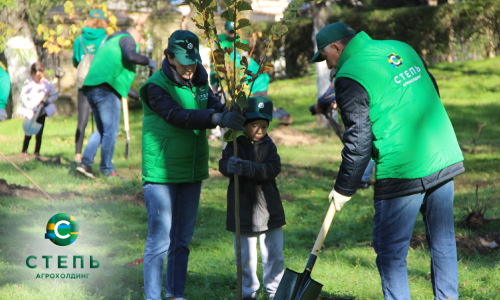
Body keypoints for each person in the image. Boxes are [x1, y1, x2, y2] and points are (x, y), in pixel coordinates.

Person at [310, 22, 464, 299]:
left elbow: (358, 142)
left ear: (337, 47)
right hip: (442, 153)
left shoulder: (348, 76)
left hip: (403, 168)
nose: (327, 64)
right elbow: (431, 91)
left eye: (325, 56)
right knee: (442, 240)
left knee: (390, 251)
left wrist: (344, 189)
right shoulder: (399, 47)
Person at [138, 30, 245, 300]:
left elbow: (211, 103)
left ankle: (176, 295)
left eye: (193, 61)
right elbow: (177, 116)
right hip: (162, 173)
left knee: (182, 241)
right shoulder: (156, 86)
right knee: (160, 241)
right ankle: (152, 297)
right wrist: (216, 118)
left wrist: (228, 111)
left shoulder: (199, 79)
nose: (189, 68)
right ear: (170, 57)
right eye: (184, 62)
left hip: (191, 170)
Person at [219, 96, 285, 300]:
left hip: (269, 210)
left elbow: (273, 168)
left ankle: (275, 291)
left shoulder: (269, 146)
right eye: (254, 125)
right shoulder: (235, 145)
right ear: (244, 124)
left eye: (264, 126)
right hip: (243, 211)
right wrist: (228, 166)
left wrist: (252, 168)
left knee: (273, 255)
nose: (259, 131)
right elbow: (223, 164)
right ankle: (248, 293)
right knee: (246, 257)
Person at [76, 28, 156, 179]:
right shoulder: (127, 38)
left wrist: (140, 96)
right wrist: (148, 61)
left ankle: (85, 164)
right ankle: (107, 170)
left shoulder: (109, 44)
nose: (137, 44)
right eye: (139, 40)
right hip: (106, 91)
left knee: (102, 130)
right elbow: (131, 55)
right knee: (111, 131)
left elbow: (117, 81)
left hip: (92, 88)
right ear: (136, 36)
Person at [72, 9, 108, 163]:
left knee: (82, 120)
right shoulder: (106, 39)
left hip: (83, 84)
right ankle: (102, 157)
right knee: (102, 121)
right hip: (100, 84)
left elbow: (75, 61)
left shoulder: (79, 39)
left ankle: (78, 155)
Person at [20, 62, 58, 156]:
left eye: (40, 75)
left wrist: (47, 101)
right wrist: (29, 105)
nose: (39, 77)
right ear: (32, 73)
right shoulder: (28, 83)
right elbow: (23, 96)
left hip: (41, 111)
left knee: (39, 132)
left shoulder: (46, 84)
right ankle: (24, 151)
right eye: (37, 75)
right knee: (28, 131)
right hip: (31, 111)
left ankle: (37, 152)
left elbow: (54, 94)